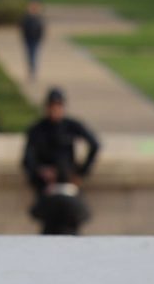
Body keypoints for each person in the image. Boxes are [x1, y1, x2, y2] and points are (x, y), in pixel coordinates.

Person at [21, 87, 100, 236]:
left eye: (58, 106)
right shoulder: (38, 129)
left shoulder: (70, 126)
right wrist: (41, 172)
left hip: (68, 181)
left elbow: (95, 144)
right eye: (52, 106)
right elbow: (27, 160)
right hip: (48, 186)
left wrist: (81, 173)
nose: (55, 110)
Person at [21, 0, 46, 82]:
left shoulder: (38, 17)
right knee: (30, 55)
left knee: (33, 55)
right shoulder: (27, 17)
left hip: (35, 40)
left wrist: (40, 38)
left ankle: (32, 70)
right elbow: (23, 28)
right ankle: (31, 70)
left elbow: (41, 29)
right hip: (28, 39)